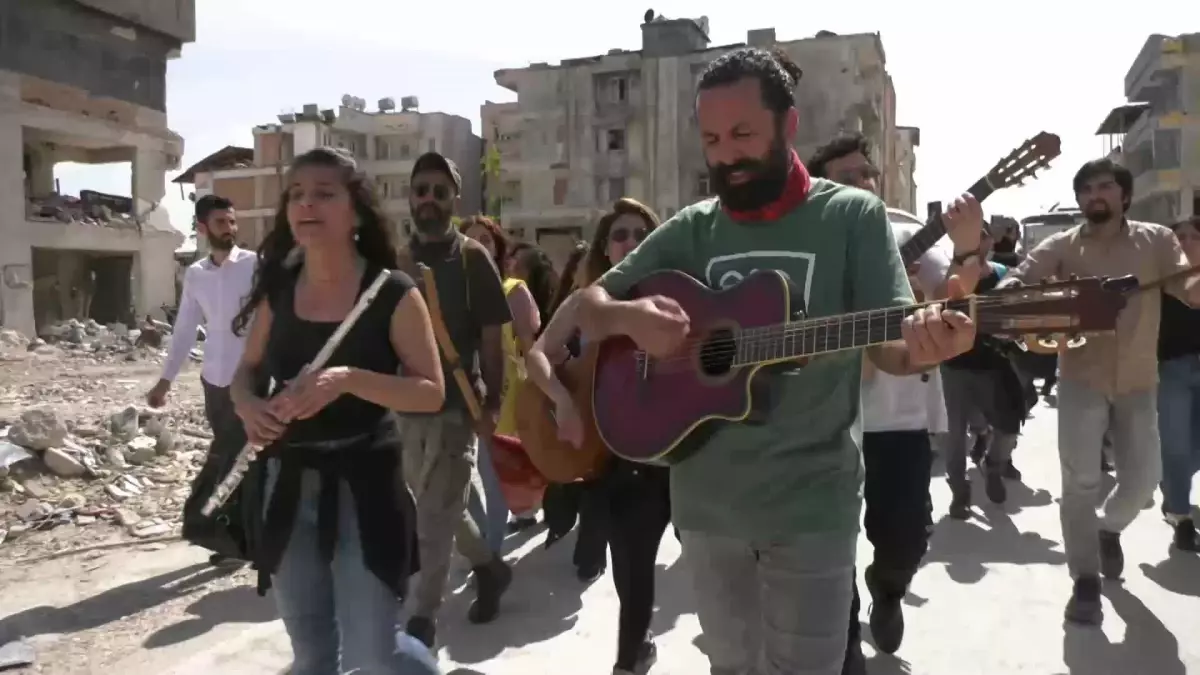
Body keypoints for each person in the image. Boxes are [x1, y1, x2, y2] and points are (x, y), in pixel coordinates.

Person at [572, 48, 976, 675]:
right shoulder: (692, 228)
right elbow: (588, 306)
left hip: (811, 507)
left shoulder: (851, 217)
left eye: (742, 134)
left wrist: (928, 343)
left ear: (787, 127)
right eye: (711, 138)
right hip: (707, 509)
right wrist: (630, 320)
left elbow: (890, 345)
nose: (725, 154)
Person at [227, 147, 445, 673]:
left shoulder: (391, 292)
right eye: (296, 194)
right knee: (312, 655)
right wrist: (247, 406)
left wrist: (347, 380)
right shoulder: (278, 289)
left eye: (324, 193)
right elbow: (246, 370)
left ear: (356, 210)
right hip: (288, 483)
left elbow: (430, 391)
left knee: (373, 652)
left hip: (367, 485)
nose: (307, 204)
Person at [998, 158, 1200, 625]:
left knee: (1143, 482)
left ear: (1124, 195)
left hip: (1138, 382)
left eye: (1105, 186)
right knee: (1080, 484)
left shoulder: (1157, 240)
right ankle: (1084, 580)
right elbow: (1021, 277)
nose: (1095, 195)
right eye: (1087, 189)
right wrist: (1012, 299)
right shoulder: (1062, 246)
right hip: (1080, 382)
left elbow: (1187, 287)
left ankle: (1108, 529)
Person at [809, 133, 984, 668]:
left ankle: (887, 586)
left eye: (867, 174)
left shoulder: (910, 233)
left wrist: (971, 245)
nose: (862, 184)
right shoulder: (807, 241)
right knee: (824, 550)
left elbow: (959, 300)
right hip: (828, 420)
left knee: (905, 538)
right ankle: (844, 635)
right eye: (846, 177)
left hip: (901, 418)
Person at [525, 198, 671, 675]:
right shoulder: (585, 299)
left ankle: (627, 660)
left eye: (640, 233)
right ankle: (638, 646)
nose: (630, 242)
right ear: (606, 247)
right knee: (627, 565)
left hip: (656, 457)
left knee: (637, 561)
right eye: (620, 234)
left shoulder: (675, 299)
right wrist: (562, 401)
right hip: (600, 454)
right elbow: (537, 356)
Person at [400, 153, 514, 648]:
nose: (429, 199)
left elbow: (492, 338)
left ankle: (421, 624)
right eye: (421, 189)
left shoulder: (472, 259)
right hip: (402, 409)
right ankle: (490, 569)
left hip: (455, 409)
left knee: (430, 521)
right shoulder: (397, 261)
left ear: (454, 200)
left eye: (438, 191)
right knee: (441, 506)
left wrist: (492, 405)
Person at [148, 195, 257, 568]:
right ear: (202, 228)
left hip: (252, 381)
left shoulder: (255, 266)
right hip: (214, 382)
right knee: (230, 456)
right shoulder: (196, 274)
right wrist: (165, 381)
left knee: (240, 458)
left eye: (232, 221)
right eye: (221, 222)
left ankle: (237, 540)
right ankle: (234, 537)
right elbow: (184, 331)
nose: (229, 228)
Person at [1157, 216, 1200, 551]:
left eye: (1192, 236)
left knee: (1193, 450)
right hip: (1171, 369)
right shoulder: (1159, 284)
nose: (1185, 241)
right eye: (1179, 236)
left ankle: (1171, 486)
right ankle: (1181, 516)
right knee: (1176, 445)